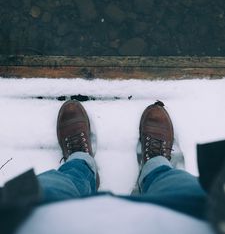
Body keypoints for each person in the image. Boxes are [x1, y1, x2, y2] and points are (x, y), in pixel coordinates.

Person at [14, 100, 215, 234]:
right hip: (193, 219)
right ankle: (155, 166)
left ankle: (80, 161)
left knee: (51, 187)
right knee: (178, 186)